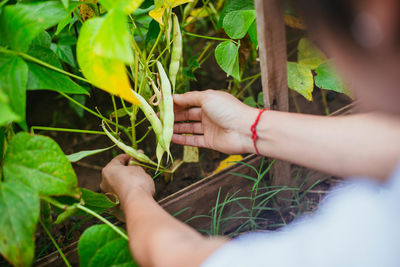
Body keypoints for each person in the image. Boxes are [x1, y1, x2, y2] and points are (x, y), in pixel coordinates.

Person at [100, 0, 400, 266]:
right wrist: (250, 126)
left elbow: (182, 258)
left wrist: (133, 194)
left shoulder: (369, 238)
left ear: (377, 24)